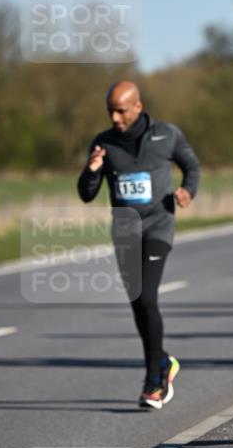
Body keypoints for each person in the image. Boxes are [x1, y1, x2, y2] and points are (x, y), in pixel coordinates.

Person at [77, 81, 200, 409]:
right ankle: (163, 362)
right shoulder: (103, 143)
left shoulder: (166, 135)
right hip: (125, 232)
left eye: (120, 111)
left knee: (147, 297)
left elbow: (192, 166)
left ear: (137, 106)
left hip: (158, 225)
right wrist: (92, 171)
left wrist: (188, 191)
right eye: (110, 111)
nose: (115, 118)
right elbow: (86, 194)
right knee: (138, 305)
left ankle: (153, 382)